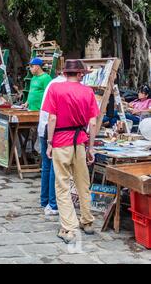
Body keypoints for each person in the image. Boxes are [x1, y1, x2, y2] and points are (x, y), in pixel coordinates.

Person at [42, 59, 99, 244]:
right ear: (80, 73)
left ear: (65, 73)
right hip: (80, 142)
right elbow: (92, 122)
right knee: (83, 182)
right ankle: (87, 220)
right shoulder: (88, 91)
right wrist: (91, 147)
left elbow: (52, 118)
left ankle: (69, 227)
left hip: (61, 141)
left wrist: (50, 143)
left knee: (62, 184)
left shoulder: (55, 89)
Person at [37, 70, 67, 216]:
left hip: (44, 127)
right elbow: (53, 116)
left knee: (47, 166)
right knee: (54, 166)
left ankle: (45, 200)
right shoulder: (61, 85)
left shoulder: (52, 82)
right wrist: (50, 140)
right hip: (52, 129)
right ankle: (53, 203)